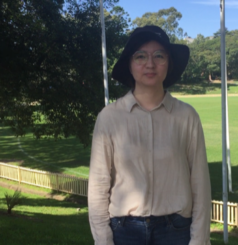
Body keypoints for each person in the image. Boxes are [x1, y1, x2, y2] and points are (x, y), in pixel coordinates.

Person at [88, 25, 211, 245]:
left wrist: (199, 240)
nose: (150, 64)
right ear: (130, 64)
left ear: (168, 63)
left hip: (176, 232)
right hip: (124, 232)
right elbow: (98, 185)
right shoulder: (109, 118)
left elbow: (200, 184)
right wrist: (103, 240)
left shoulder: (187, 116)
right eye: (141, 56)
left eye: (159, 56)